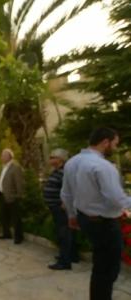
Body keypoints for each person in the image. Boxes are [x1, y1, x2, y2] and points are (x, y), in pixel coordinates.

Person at [61, 127, 131, 300]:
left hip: (85, 219)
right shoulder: (103, 166)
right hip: (103, 224)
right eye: (115, 144)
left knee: (100, 265)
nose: (115, 148)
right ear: (105, 142)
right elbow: (116, 199)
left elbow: (66, 193)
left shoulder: (71, 162)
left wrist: (71, 215)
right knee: (108, 269)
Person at [43, 148, 79, 270]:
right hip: (56, 207)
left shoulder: (64, 172)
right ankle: (71, 255)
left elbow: (70, 189)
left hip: (61, 209)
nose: (50, 160)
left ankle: (65, 262)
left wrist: (65, 203)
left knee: (64, 234)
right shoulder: (57, 171)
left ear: (61, 159)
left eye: (53, 157)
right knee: (67, 233)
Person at [0, 148, 24, 244]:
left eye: (3, 155)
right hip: (2, 195)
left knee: (15, 218)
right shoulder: (3, 167)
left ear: (9, 157)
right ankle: (6, 233)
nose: (1, 157)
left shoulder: (15, 167)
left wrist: (18, 195)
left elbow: (19, 183)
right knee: (4, 216)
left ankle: (19, 237)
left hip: (12, 196)